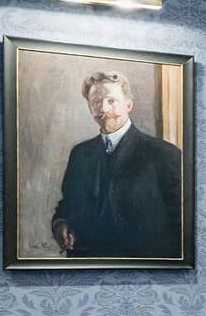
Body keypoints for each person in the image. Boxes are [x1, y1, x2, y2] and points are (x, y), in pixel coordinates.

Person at [52, 71, 182, 258]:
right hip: (87, 263)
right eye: (96, 102)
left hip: (144, 262)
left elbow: (181, 220)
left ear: (128, 105)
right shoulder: (80, 154)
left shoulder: (164, 154)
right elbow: (68, 203)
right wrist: (60, 223)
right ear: (89, 107)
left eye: (111, 101)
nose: (103, 108)